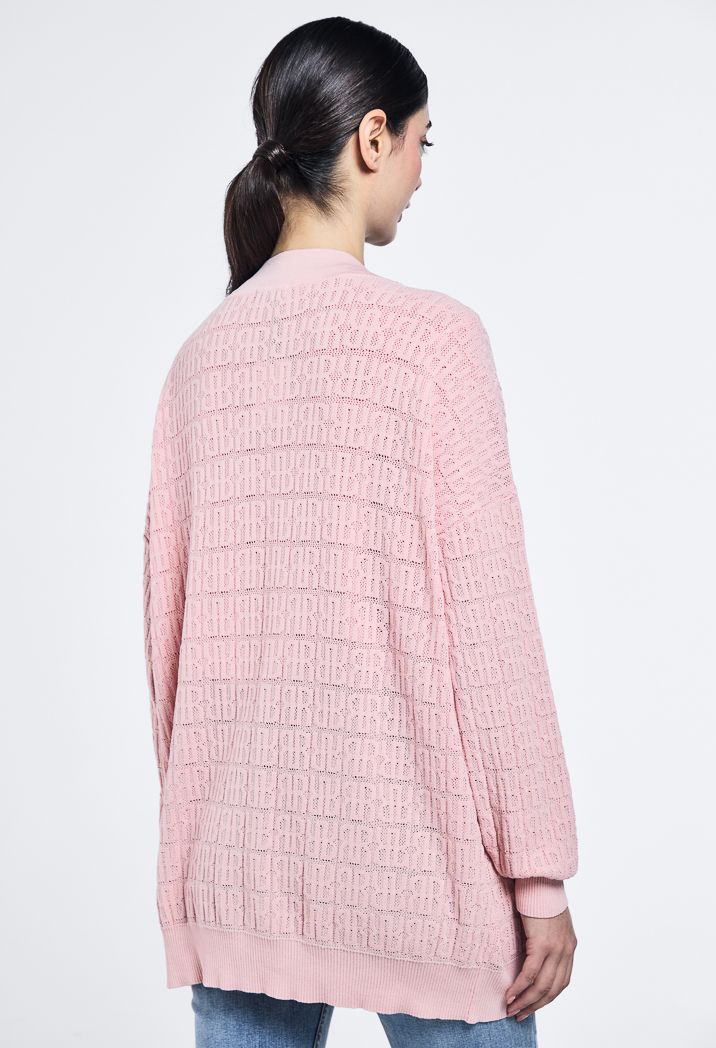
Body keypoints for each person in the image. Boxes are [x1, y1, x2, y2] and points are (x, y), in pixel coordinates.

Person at [142, 15, 579, 1048]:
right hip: (418, 872)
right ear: (373, 138)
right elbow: (490, 624)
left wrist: (206, 837)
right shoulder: (434, 343)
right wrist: (540, 875)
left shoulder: (199, 361)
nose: (422, 172)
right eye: (424, 141)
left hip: (236, 871)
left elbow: (168, 651)